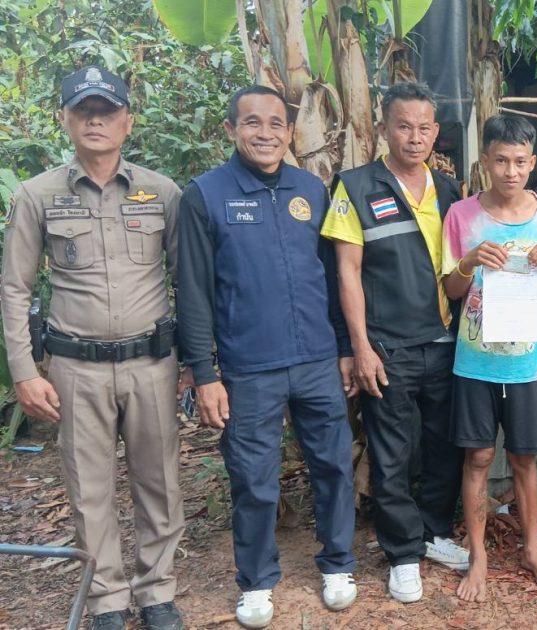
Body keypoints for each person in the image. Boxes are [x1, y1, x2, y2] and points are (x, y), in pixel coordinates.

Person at [0, 65, 187, 630]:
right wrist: (25, 371)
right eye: (83, 110)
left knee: (160, 483)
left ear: (128, 121)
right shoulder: (38, 195)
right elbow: (14, 287)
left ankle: (157, 592)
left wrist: (198, 364)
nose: (96, 120)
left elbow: (190, 281)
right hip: (75, 368)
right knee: (88, 488)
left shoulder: (163, 192)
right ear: (65, 119)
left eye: (107, 110)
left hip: (151, 362)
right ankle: (105, 597)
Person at [176, 85, 357, 628]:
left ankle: (339, 564)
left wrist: (344, 348)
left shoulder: (311, 189)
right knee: (253, 478)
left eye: (276, 123)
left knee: (333, 465)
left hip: (317, 358)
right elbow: (193, 291)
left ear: (290, 132)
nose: (265, 133)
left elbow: (332, 276)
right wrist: (204, 372)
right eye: (252, 123)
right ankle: (256, 581)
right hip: (248, 365)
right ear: (231, 130)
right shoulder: (205, 195)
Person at [320, 81, 467, 604]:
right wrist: (358, 347)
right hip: (388, 349)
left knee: (445, 445)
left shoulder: (448, 191)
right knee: (392, 454)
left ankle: (432, 533)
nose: (414, 137)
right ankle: (403, 554)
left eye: (424, 128)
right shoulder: (356, 187)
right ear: (383, 128)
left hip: (445, 342)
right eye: (403, 126)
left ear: (436, 132)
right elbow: (347, 273)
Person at [442, 114, 537, 601]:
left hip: (526, 362)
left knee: (524, 458)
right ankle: (478, 555)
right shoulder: (462, 215)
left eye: (519, 161)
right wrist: (470, 260)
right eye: (500, 161)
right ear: (485, 162)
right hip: (475, 359)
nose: (510, 171)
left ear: (532, 162)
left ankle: (532, 549)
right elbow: (452, 290)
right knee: (477, 456)